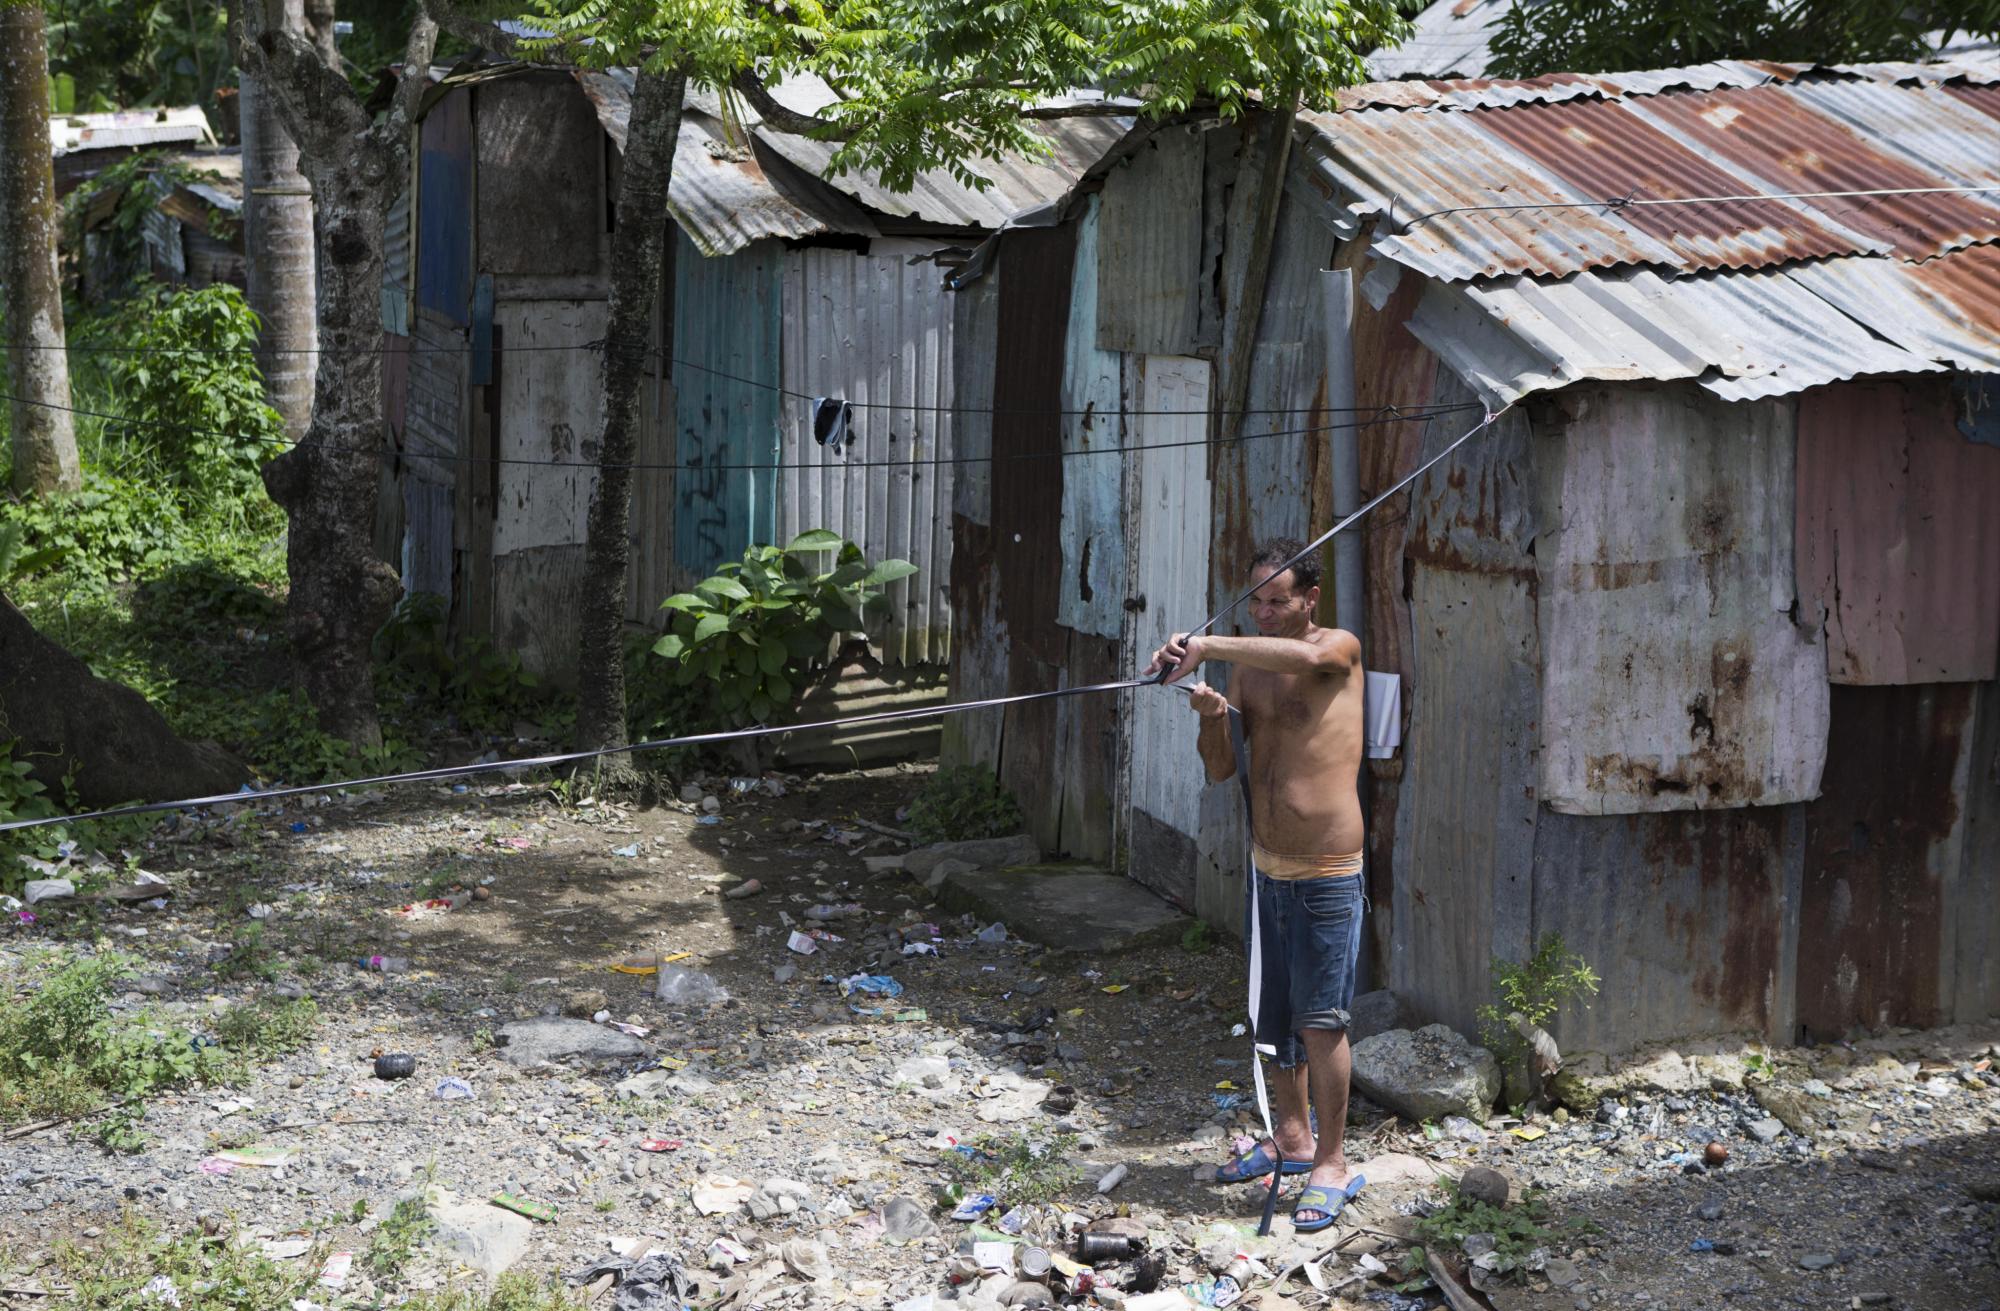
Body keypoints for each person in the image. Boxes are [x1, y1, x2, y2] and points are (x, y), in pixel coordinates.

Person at [1143, 537, 1368, 1233]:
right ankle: (1292, 1139)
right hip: (1268, 867)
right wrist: (1212, 718)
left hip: (1327, 872)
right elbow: (1220, 769)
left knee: (1321, 1022)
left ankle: (1332, 1162)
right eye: (1256, 601)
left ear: (1310, 599)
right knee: (1273, 1019)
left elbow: (1301, 658)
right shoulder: (1248, 672)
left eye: (1277, 600)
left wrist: (1207, 645)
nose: (1264, 613)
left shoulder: (1338, 649)